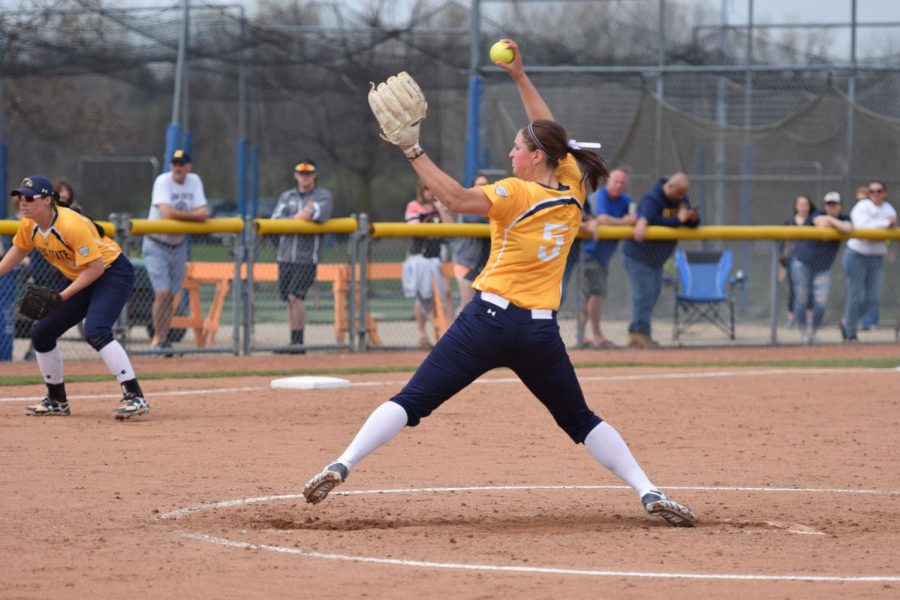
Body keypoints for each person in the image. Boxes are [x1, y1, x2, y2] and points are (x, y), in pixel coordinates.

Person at [301, 39, 697, 528]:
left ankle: (342, 463)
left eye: (517, 146)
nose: (511, 152)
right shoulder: (573, 188)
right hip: (539, 334)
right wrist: (519, 77)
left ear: (535, 158)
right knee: (580, 420)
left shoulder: (515, 192)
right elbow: (551, 131)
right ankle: (648, 488)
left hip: (486, 322)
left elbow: (457, 198)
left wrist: (412, 149)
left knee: (412, 401)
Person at [0, 175, 148, 419]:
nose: (22, 203)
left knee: (96, 330)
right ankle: (57, 400)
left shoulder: (70, 224)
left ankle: (135, 396)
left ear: (47, 200)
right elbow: (18, 250)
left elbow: (96, 268)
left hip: (112, 272)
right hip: (83, 275)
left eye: (28, 197)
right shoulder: (29, 224)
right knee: (42, 332)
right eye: (19, 198)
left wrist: (62, 296)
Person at [621, 173, 700, 348]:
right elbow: (651, 219)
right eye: (679, 193)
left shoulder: (680, 197)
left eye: (683, 194)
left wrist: (692, 220)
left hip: (656, 259)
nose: (682, 197)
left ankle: (641, 333)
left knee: (653, 294)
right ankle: (638, 334)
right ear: (670, 187)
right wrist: (677, 219)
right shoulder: (653, 197)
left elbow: (686, 221)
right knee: (644, 294)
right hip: (638, 255)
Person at [142, 149, 209, 355]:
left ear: (188, 167)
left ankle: (164, 341)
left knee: (171, 295)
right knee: (162, 293)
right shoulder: (163, 181)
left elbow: (204, 214)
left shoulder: (194, 181)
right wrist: (192, 215)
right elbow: (165, 213)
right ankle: (159, 341)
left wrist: (181, 216)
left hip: (178, 245)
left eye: (181, 164)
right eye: (174, 164)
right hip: (156, 244)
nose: (177, 168)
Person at [270, 159, 334, 353]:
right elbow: (275, 220)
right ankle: (293, 340)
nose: (304, 177)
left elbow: (315, 215)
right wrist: (298, 217)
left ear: (315, 175)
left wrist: (300, 217)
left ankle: (299, 342)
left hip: (306, 257)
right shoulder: (287, 196)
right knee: (288, 299)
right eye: (301, 173)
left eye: (308, 173)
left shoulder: (322, 195)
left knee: (296, 296)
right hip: (285, 256)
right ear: (295, 175)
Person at [579, 168, 636, 348]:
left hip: (604, 257)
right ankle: (597, 335)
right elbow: (602, 218)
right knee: (597, 293)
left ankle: (581, 335)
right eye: (616, 181)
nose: (619, 186)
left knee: (590, 296)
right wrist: (624, 221)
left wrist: (626, 220)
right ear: (608, 182)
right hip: (589, 254)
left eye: (622, 183)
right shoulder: (599, 196)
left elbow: (635, 216)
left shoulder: (625, 200)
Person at [789, 191, 852, 344]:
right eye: (829, 205)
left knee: (821, 303)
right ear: (825, 206)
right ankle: (803, 332)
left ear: (840, 206)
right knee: (802, 299)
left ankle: (813, 332)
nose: (831, 208)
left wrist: (831, 221)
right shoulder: (817, 213)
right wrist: (834, 223)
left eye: (835, 205)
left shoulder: (845, 217)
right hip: (802, 263)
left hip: (823, 267)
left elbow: (848, 229)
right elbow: (820, 222)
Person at [841, 181, 897, 341]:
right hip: (857, 255)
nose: (876, 194)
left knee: (873, 298)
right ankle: (850, 331)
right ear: (869, 193)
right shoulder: (862, 206)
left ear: (884, 193)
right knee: (855, 294)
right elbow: (863, 228)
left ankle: (846, 320)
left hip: (877, 257)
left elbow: (890, 227)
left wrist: (883, 226)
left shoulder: (889, 208)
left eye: (879, 191)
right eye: (872, 191)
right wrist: (885, 224)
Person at [403, 180, 452, 348]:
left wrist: (439, 208)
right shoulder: (414, 206)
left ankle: (447, 333)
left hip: (438, 256)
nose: (430, 193)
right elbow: (414, 227)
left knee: (446, 294)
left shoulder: (440, 206)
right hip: (421, 257)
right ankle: (423, 334)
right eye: (427, 190)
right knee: (424, 297)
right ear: (421, 191)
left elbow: (451, 227)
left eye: (433, 189)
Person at [449, 173, 491, 314]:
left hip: (485, 265)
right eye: (478, 185)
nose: (482, 188)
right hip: (466, 262)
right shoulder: (469, 206)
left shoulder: (493, 206)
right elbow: (477, 220)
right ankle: (454, 334)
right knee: (466, 304)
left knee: (485, 306)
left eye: (485, 184)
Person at [779, 194, 816, 329]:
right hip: (791, 260)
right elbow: (784, 246)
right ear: (796, 206)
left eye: (805, 204)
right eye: (800, 204)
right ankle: (792, 318)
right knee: (794, 290)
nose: (802, 207)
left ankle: (809, 318)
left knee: (809, 289)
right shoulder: (789, 222)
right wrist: (781, 266)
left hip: (809, 261)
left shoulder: (813, 222)